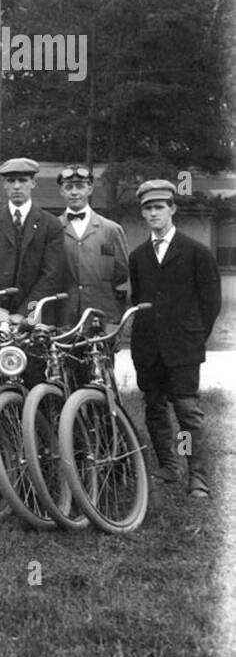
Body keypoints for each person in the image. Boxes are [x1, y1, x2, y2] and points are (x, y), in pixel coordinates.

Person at [128, 179, 222, 499]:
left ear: (172, 209)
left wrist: (193, 338)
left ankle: (195, 474)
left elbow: (210, 304)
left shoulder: (196, 252)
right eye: (148, 208)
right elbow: (138, 299)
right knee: (154, 407)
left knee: (186, 411)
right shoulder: (139, 256)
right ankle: (168, 466)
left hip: (183, 348)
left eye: (159, 207)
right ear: (142, 213)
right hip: (148, 349)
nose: (153, 213)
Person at [0, 158, 66, 331]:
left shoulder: (51, 225)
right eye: (11, 181)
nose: (17, 186)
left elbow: (51, 276)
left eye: (23, 180)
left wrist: (26, 312)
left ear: (33, 183)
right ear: (4, 185)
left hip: (33, 321)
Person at [56, 165, 129, 327]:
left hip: (101, 314)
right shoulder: (52, 229)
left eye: (80, 187)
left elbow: (122, 272)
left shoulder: (111, 230)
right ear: (61, 191)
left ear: (90, 189)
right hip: (63, 316)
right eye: (68, 187)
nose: (74, 192)